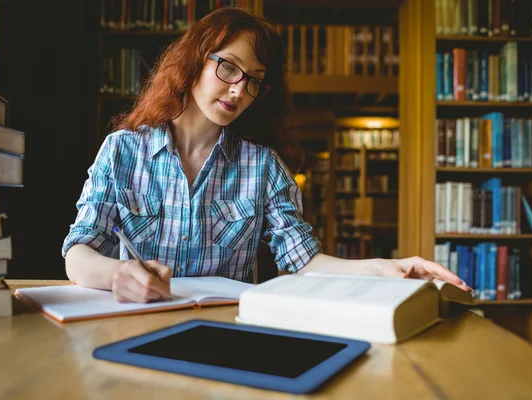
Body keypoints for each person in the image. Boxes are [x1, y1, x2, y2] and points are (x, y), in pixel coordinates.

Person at [63, 7, 470, 303]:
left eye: (254, 80)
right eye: (228, 68)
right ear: (193, 63)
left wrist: (385, 268)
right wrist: (120, 274)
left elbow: (302, 261)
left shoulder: (262, 167)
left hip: (224, 335)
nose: (239, 90)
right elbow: (78, 252)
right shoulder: (123, 151)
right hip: (135, 323)